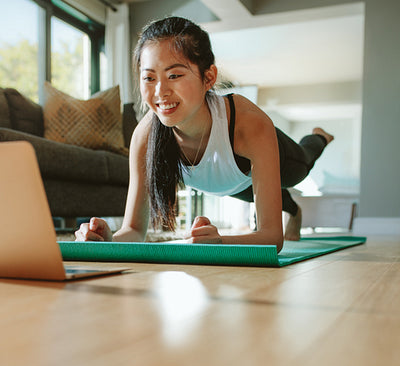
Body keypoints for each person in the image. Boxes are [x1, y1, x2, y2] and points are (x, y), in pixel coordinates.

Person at [75, 16, 333, 251]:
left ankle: (318, 136)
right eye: (149, 78)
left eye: (174, 75)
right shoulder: (145, 136)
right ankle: (292, 208)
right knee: (261, 193)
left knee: (303, 164)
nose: (160, 92)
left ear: (208, 77)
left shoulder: (249, 123)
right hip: (231, 181)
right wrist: (107, 239)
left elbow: (271, 237)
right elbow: (133, 230)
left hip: (281, 161)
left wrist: (218, 241)